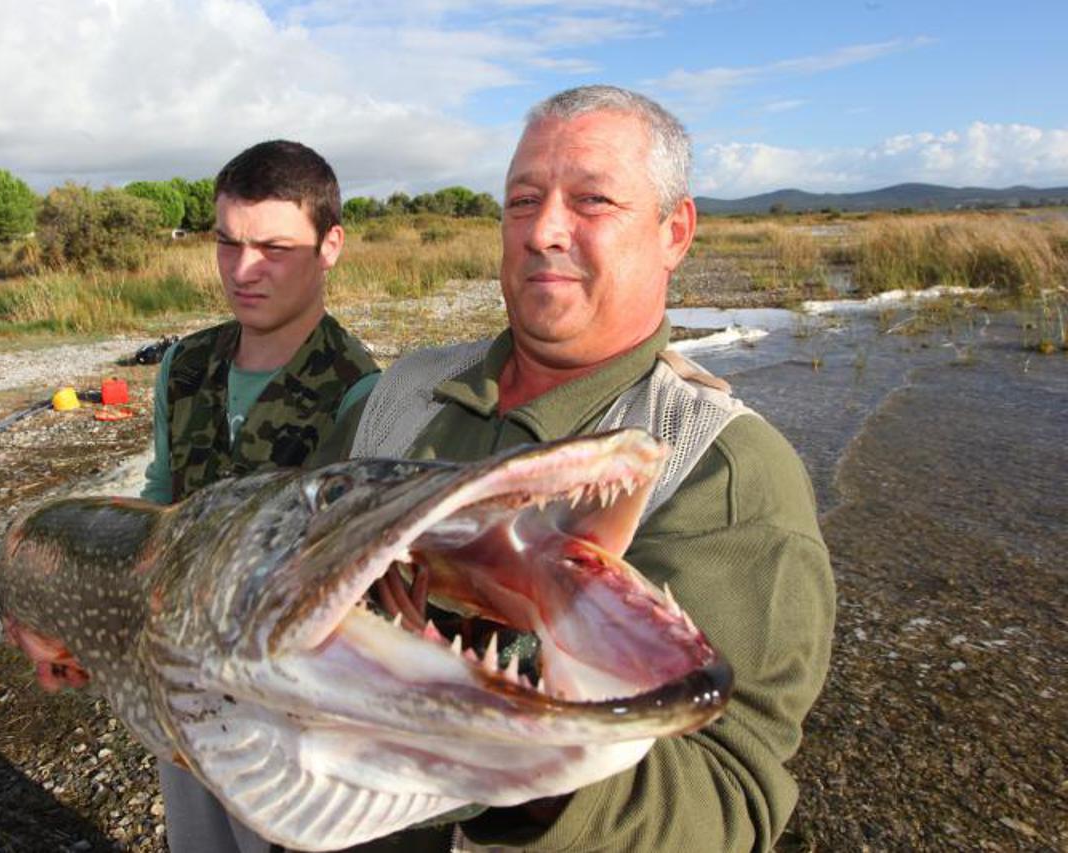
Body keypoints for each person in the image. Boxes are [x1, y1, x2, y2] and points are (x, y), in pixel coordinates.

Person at [315, 85, 836, 851]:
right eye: (523, 200)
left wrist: (510, 749)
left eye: (592, 200)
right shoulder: (399, 393)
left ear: (674, 231)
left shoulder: (723, 468)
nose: (544, 230)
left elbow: (728, 789)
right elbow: (281, 545)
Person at [140, 139, 380, 851]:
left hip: (288, 716)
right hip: (179, 682)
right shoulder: (185, 365)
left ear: (329, 245)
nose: (244, 270)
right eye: (228, 243)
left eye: (274, 247)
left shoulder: (363, 391)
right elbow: (161, 499)